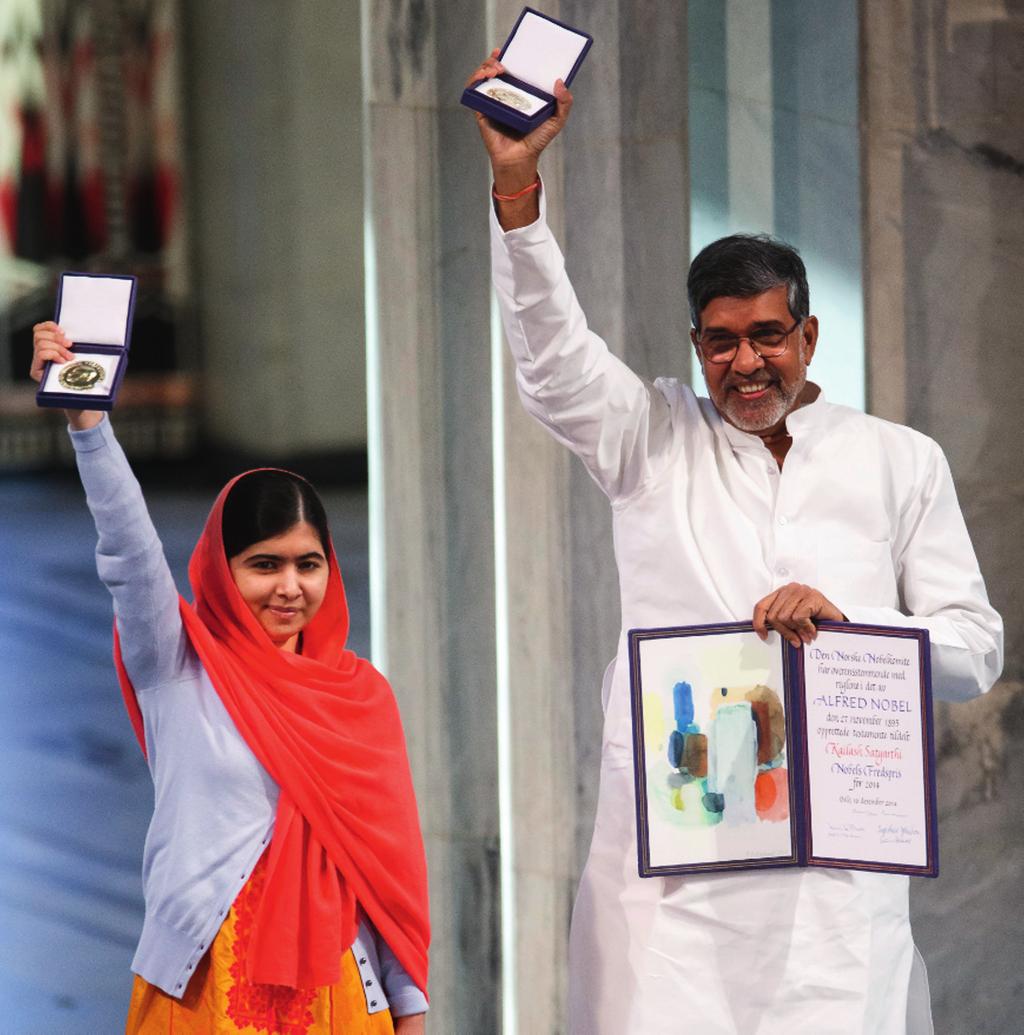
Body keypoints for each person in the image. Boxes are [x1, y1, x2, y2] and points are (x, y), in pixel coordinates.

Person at [467, 51, 1003, 1035]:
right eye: (721, 341)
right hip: (676, 882)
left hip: (836, 884)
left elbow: (973, 650)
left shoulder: (899, 460)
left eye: (767, 335)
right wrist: (515, 187)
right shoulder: (650, 437)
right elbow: (549, 362)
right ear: (695, 348)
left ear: (807, 337)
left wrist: (855, 625)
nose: (746, 362)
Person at [31, 323, 430, 1034]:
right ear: (223, 567)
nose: (289, 587)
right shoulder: (177, 660)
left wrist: (410, 1009)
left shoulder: (361, 698)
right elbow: (128, 548)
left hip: (338, 996)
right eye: (264, 564)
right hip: (202, 989)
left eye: (308, 563)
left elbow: (388, 879)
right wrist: (89, 425)